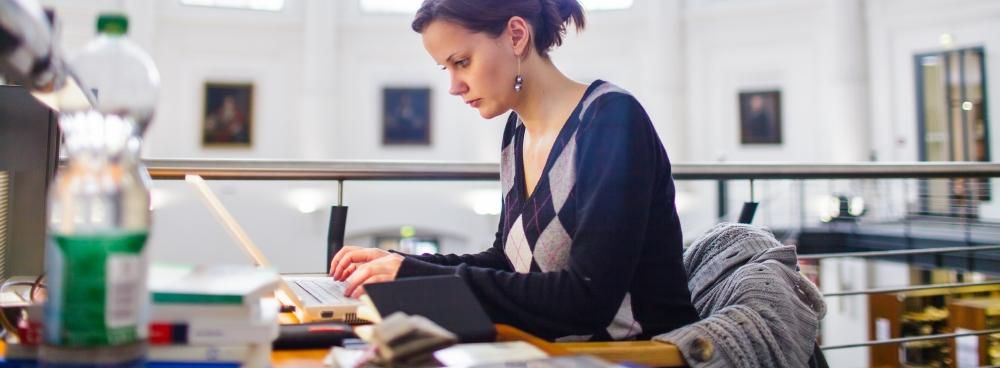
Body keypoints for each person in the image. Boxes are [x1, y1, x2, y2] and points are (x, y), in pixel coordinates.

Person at [330, 0, 699, 341]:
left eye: (462, 62)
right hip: (553, 351)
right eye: (447, 68)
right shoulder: (517, 134)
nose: (454, 87)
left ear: (517, 35)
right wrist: (400, 265)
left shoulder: (610, 121)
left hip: (639, 353)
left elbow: (586, 299)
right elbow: (507, 261)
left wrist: (415, 278)